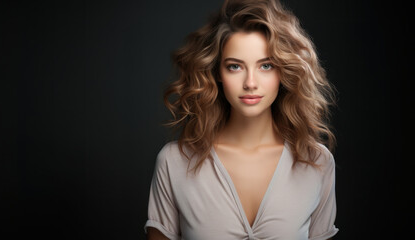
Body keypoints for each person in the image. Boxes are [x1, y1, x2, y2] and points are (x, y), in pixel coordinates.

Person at [144, 0, 338, 239]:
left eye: (266, 66)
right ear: (217, 73)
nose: (250, 83)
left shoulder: (316, 163)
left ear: (284, 72)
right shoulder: (174, 162)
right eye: (235, 66)